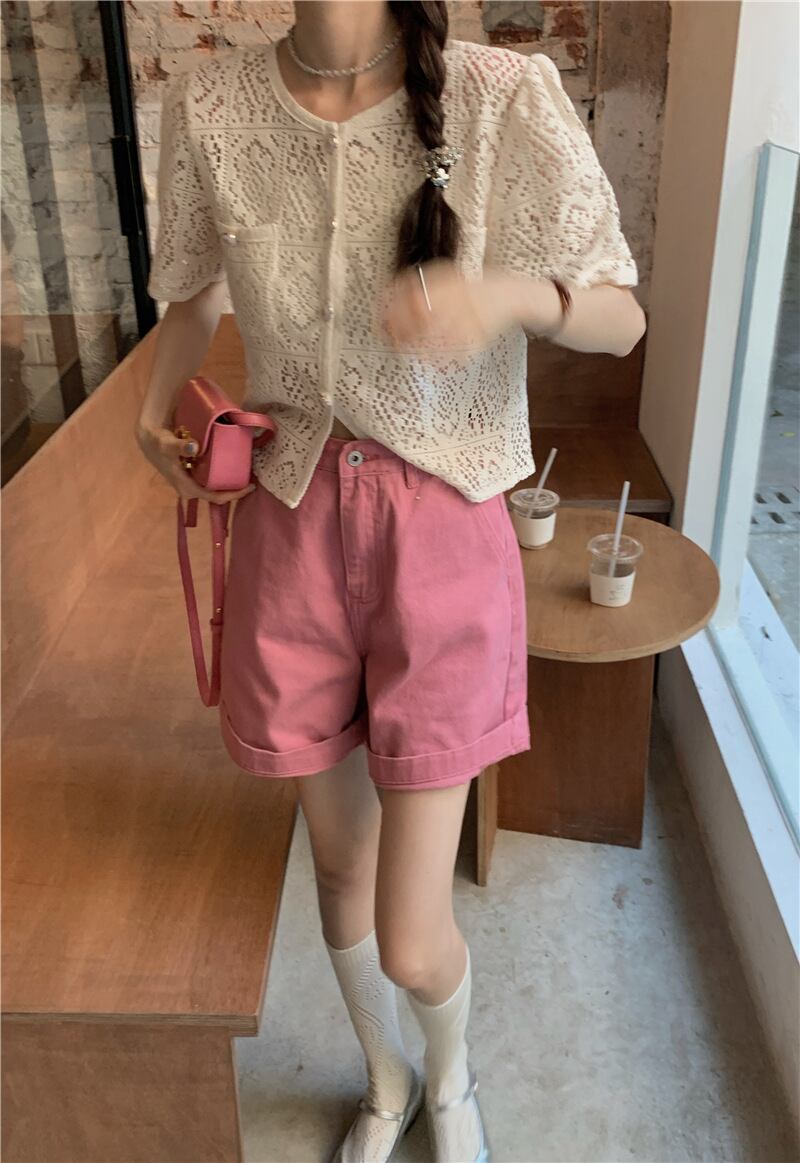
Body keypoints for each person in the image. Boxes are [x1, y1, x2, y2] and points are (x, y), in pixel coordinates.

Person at [135, 4, 646, 1161]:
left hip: (442, 532)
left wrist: (504, 296)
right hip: (288, 525)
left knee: (413, 937)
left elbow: (619, 315)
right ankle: (385, 1079)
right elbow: (194, 292)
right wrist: (147, 410)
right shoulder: (210, 102)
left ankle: (452, 1075)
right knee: (336, 868)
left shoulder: (499, 96)